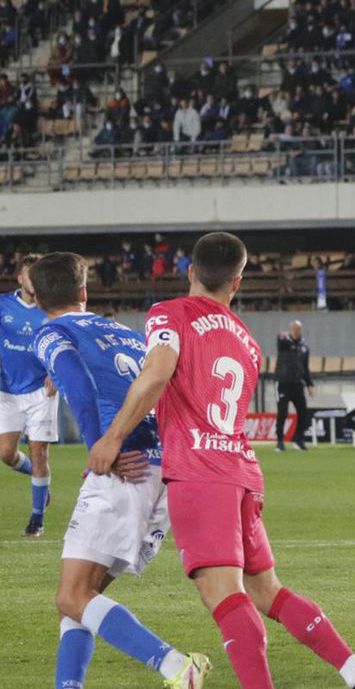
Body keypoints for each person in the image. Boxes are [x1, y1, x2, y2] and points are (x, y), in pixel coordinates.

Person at [87, 232, 355, 688]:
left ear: (189, 271)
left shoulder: (169, 313)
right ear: (238, 282)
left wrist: (113, 437)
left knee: (225, 596)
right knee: (267, 591)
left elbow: (158, 372)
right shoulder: (247, 341)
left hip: (198, 472)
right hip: (241, 472)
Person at [28, 252, 211, 688]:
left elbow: (78, 383)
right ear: (84, 292)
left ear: (36, 300)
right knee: (82, 598)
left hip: (122, 471)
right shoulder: (124, 333)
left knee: (72, 595)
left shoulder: (50, 332)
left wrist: (100, 448)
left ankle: (176, 667)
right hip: (161, 470)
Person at [0, 254, 58, 537]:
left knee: (38, 452)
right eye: (29, 274)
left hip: (40, 391)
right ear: (20, 278)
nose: (33, 279)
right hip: (6, 390)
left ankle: (37, 521)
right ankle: (41, 482)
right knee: (6, 454)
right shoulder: (3, 305)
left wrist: (56, 371)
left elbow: (64, 342)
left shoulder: (51, 309)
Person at [274, 320, 313, 451]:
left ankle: (299, 440)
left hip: (297, 384)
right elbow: (280, 339)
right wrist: (281, 336)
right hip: (283, 383)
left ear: (301, 330)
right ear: (290, 329)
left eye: (298, 328)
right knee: (282, 413)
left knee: (303, 412)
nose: (296, 330)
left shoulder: (304, 347)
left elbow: (305, 368)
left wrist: (309, 384)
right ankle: (280, 441)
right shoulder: (284, 343)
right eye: (294, 328)